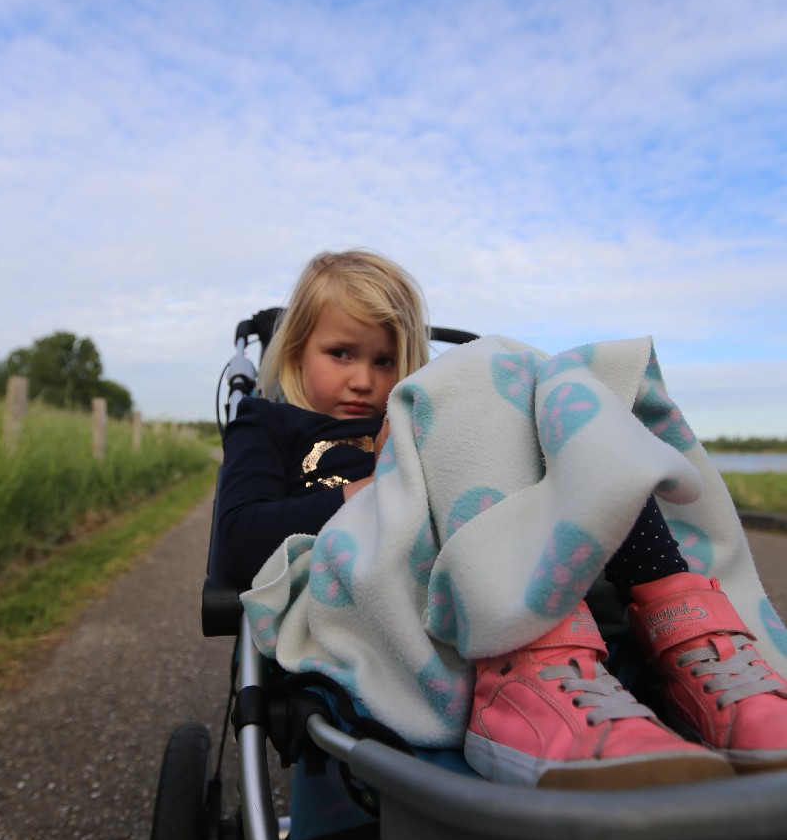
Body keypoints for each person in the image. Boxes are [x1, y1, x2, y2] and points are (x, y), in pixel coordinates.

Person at [219, 249, 787, 789]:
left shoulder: (413, 414)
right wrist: (378, 487)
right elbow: (240, 541)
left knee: (551, 410)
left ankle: (687, 638)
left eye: (384, 360)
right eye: (341, 353)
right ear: (295, 353)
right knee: (490, 375)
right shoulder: (269, 422)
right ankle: (527, 672)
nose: (364, 379)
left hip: (468, 551)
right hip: (374, 565)